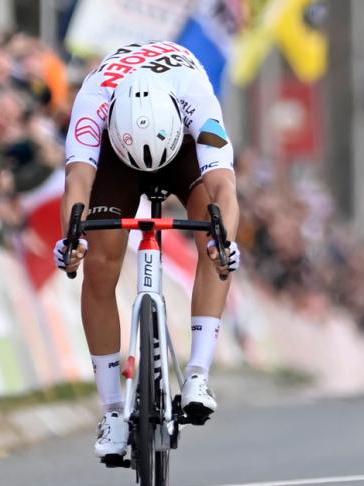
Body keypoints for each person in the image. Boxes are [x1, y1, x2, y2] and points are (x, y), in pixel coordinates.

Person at [55, 41, 240, 459]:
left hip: (181, 151)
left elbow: (224, 186)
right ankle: (112, 411)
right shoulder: (93, 100)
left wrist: (224, 241)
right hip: (116, 157)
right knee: (99, 265)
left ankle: (198, 373)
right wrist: (72, 239)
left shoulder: (195, 94)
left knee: (214, 236)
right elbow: (77, 184)